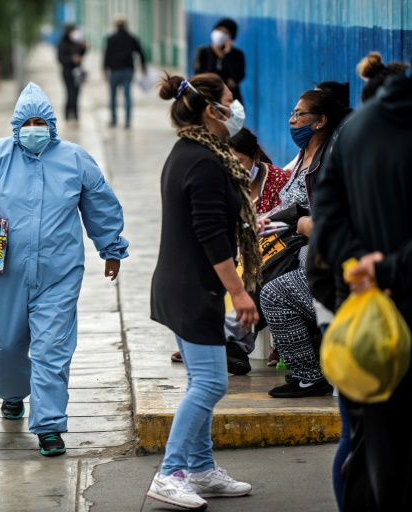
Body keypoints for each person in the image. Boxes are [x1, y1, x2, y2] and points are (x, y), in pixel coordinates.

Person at [0, 82, 128, 457]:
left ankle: (49, 426)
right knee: (7, 344)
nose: (33, 128)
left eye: (40, 121)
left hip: (59, 272)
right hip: (4, 272)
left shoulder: (75, 159)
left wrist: (111, 248)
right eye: (26, 122)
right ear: (15, 126)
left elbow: (100, 204)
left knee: (52, 349)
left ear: (52, 124)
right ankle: (12, 393)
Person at [146, 72, 259, 510]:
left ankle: (200, 468)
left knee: (201, 379)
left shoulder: (191, 152)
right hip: (192, 288)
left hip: (182, 284)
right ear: (214, 110)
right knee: (211, 383)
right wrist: (241, 293)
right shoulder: (205, 161)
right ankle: (170, 472)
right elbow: (211, 236)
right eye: (233, 100)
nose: (238, 108)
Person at [312, 64, 412, 512]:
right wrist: (389, 269)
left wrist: (363, 271)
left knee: (369, 445)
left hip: (367, 323)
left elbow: (326, 223)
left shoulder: (352, 134)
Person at [170, 126, 291, 372]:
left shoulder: (280, 182)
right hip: (235, 257)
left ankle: (226, 341)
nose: (232, 169)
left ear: (256, 157)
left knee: (253, 276)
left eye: (239, 162)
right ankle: (212, 338)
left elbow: (290, 224)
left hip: (270, 256)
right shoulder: (221, 187)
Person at [259, 89, 350, 398]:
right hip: (302, 249)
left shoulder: (330, 161)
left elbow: (329, 224)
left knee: (273, 293)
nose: (292, 120)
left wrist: (295, 221)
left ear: (320, 121)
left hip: (326, 261)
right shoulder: (303, 157)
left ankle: (310, 376)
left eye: (299, 114)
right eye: (292, 113)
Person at [103, 15, 146, 128]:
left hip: (114, 71)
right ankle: (127, 121)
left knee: (113, 95)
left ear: (116, 25)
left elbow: (107, 55)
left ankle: (113, 119)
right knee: (127, 95)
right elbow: (141, 52)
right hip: (128, 70)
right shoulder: (132, 38)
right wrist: (143, 67)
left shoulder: (111, 39)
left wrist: (104, 70)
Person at [193, 18, 246, 106]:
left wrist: (228, 55)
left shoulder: (237, 54)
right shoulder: (203, 52)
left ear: (231, 38)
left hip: (231, 101)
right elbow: (200, 74)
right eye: (219, 30)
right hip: (207, 98)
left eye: (226, 32)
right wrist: (226, 81)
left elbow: (238, 76)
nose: (221, 34)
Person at [57, 23, 88, 127]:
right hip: (67, 72)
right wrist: (71, 59)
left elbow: (81, 54)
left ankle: (75, 115)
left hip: (77, 72)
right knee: (70, 93)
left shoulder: (77, 42)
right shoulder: (63, 43)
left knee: (77, 93)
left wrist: (84, 48)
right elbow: (60, 59)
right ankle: (68, 115)